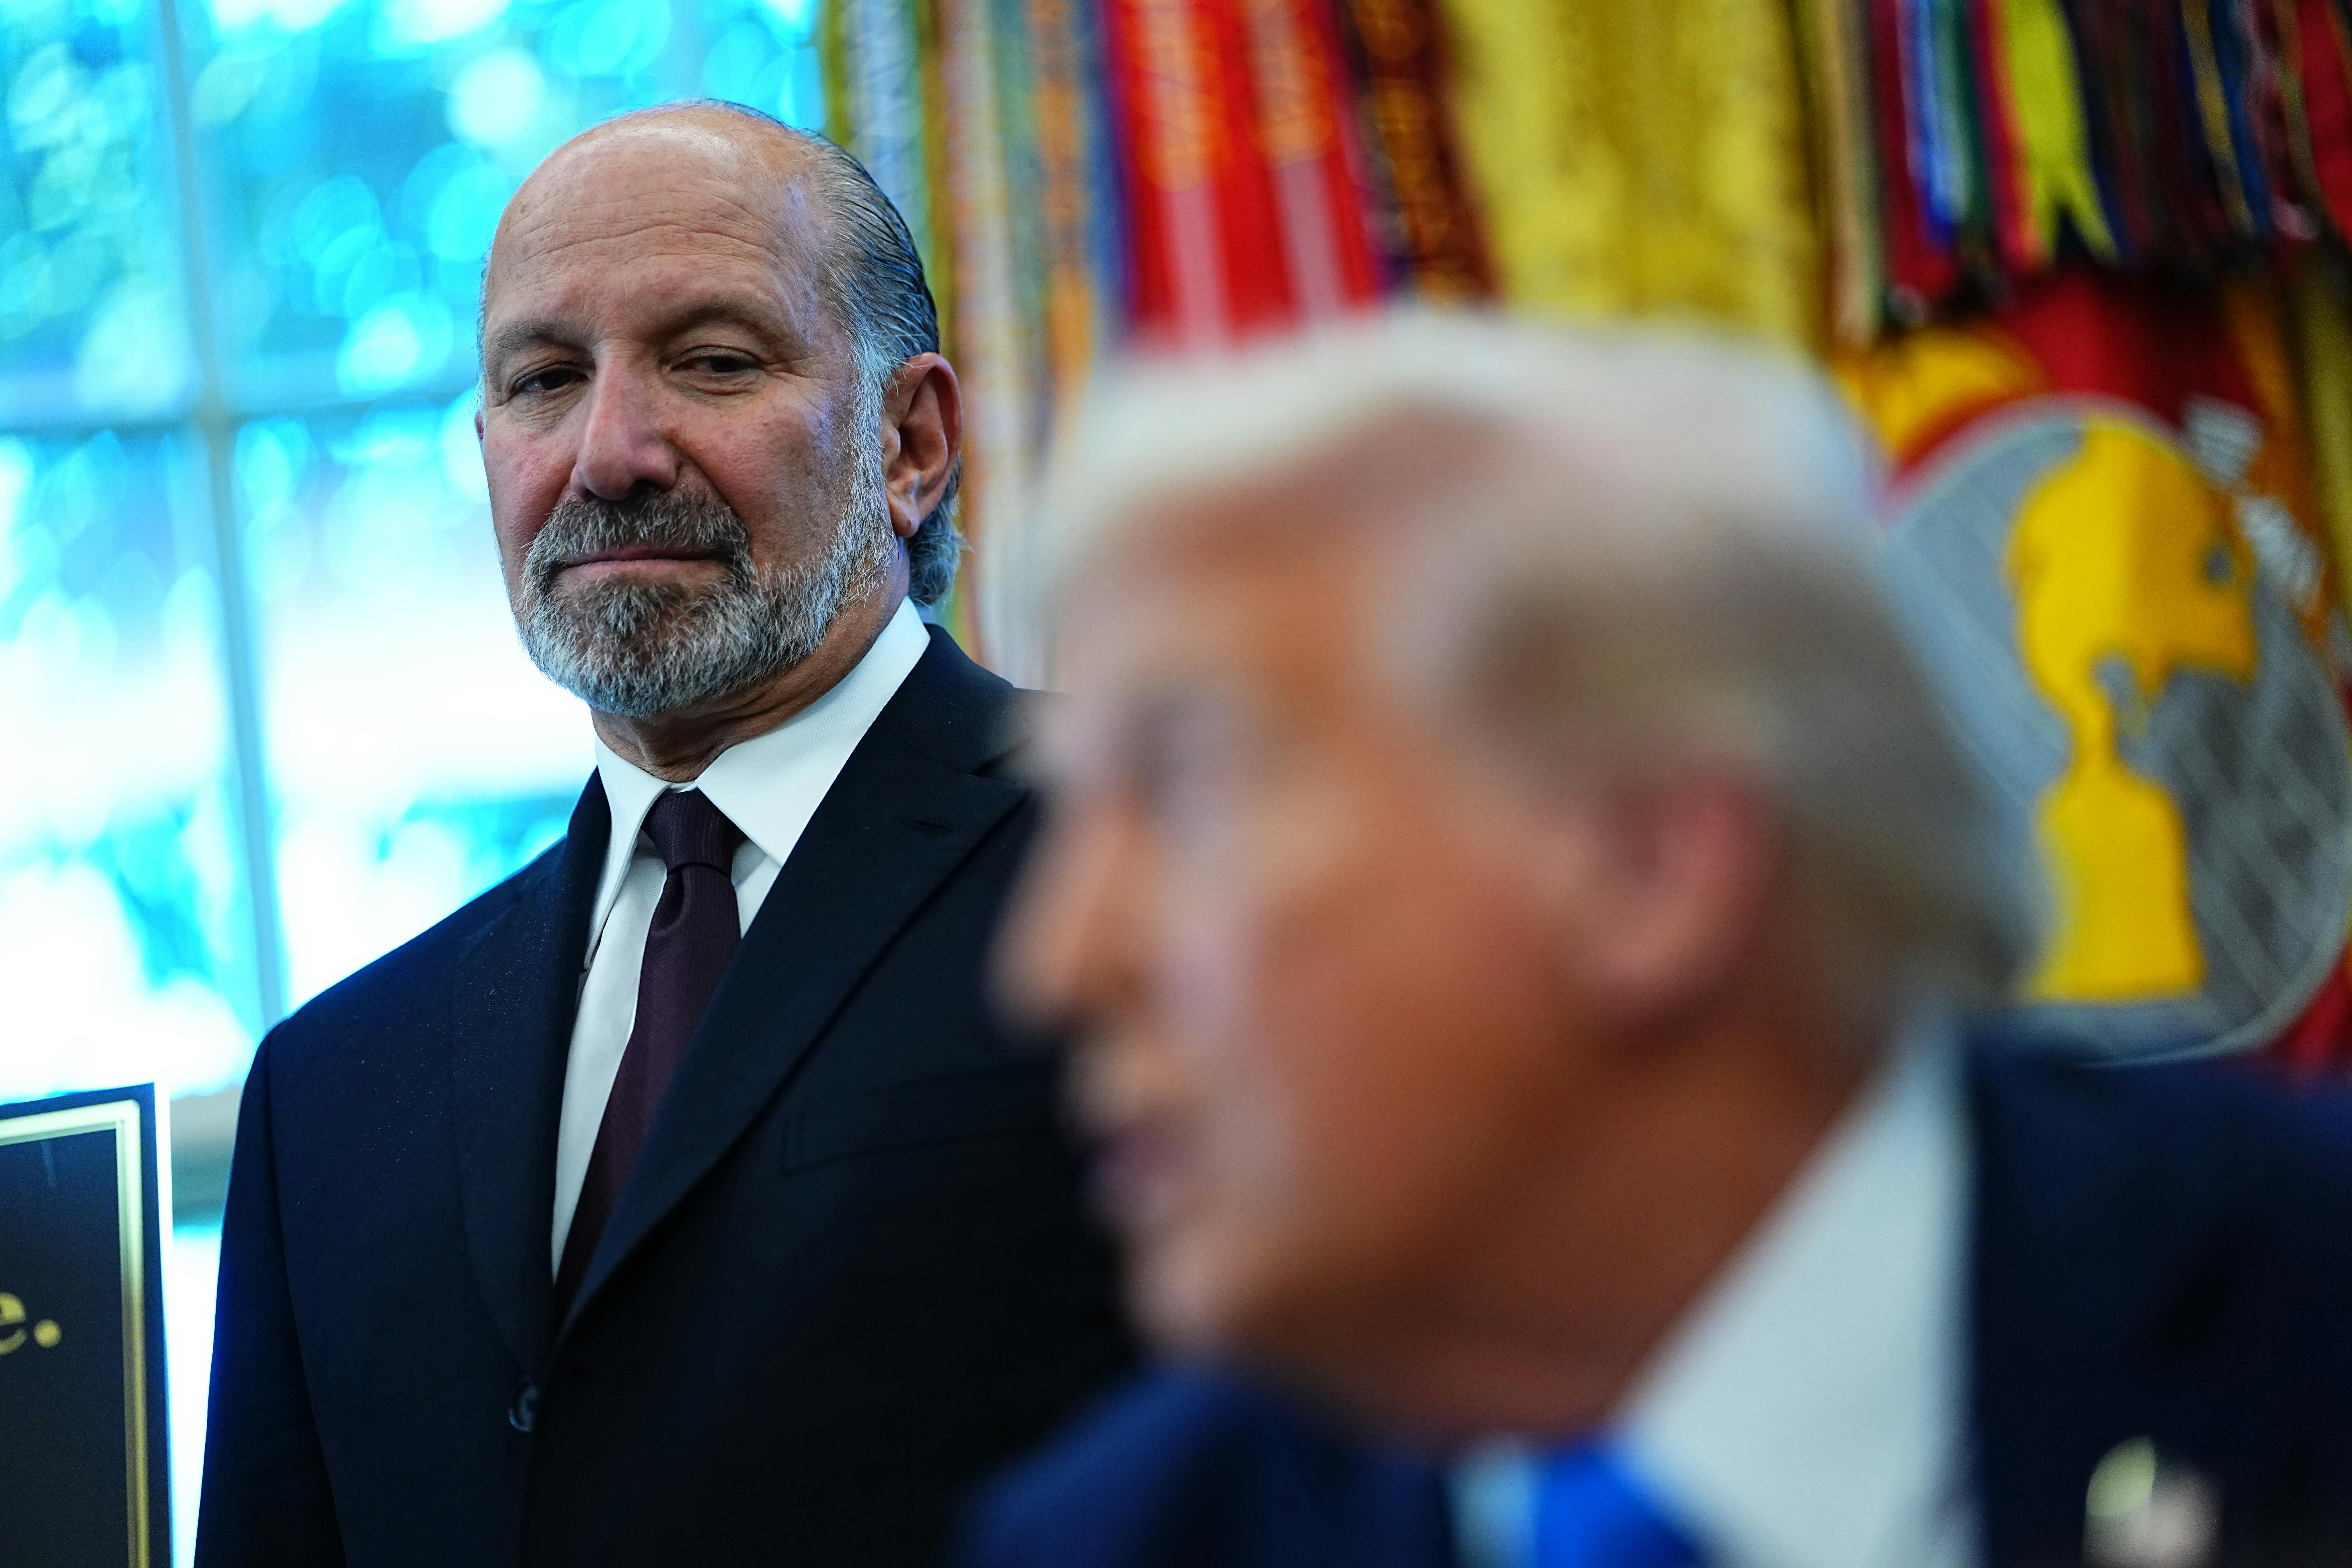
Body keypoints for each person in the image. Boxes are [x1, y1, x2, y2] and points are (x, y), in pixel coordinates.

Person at [960, 316, 2352, 1568]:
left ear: (1647, 864)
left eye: (1190, 781)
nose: (1057, 963)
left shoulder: (2303, 1314)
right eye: (1070, 806)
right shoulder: (1117, 1539)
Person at [196, 103, 1131, 1568]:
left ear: (911, 441)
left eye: (711, 361)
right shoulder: (326, 1095)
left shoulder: (1157, 864)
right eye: (543, 381)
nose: (611, 452)